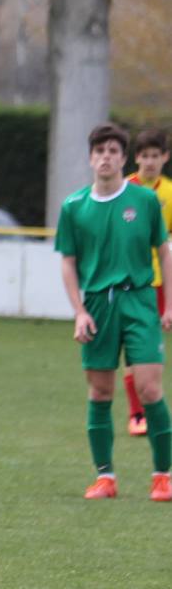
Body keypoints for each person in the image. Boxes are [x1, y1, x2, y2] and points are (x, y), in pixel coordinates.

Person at [55, 122, 172, 502]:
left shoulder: (145, 201)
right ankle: (105, 478)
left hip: (139, 300)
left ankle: (163, 476)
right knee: (100, 390)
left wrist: (169, 304)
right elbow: (68, 262)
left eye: (113, 151)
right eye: (99, 151)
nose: (105, 157)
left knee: (150, 388)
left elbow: (164, 252)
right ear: (91, 158)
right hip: (97, 305)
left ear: (124, 159)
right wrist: (78, 312)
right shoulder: (74, 206)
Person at [120, 128, 172, 436]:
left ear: (165, 157)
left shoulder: (170, 192)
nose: (150, 161)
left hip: (160, 282)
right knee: (132, 345)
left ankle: (151, 408)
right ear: (136, 158)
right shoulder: (124, 189)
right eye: (145, 156)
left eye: (156, 155)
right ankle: (136, 413)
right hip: (130, 281)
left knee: (152, 349)